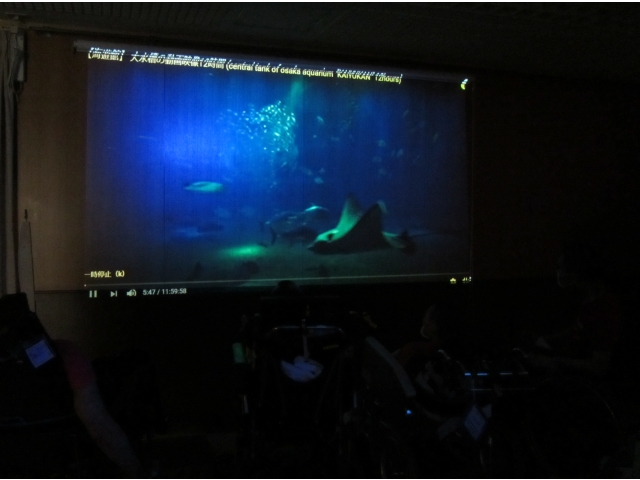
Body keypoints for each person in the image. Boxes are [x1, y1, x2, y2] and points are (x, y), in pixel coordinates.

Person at [526, 242, 622, 379]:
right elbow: (577, 331)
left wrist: (554, 362)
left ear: (576, 270)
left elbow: (599, 367)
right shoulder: (589, 300)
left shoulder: (605, 306)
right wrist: (544, 340)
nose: (558, 272)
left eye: (561, 268)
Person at [53, 339, 145, 478]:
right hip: (78, 380)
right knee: (100, 428)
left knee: (99, 426)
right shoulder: (62, 348)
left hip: (80, 382)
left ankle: (136, 472)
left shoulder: (62, 350)